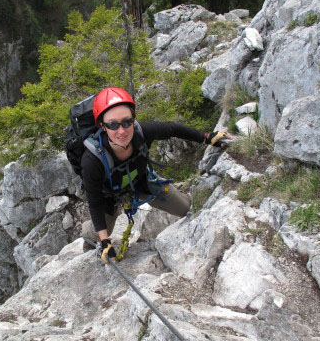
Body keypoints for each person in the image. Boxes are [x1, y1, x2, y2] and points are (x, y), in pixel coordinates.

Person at [80, 87, 231, 261]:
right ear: (102, 126)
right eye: (113, 124)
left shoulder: (142, 132)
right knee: (98, 232)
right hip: (108, 196)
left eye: (127, 122)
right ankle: (88, 236)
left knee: (185, 208)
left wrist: (207, 138)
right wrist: (105, 241)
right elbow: (94, 201)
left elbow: (173, 129)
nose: (121, 131)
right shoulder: (92, 160)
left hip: (141, 181)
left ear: (133, 119)